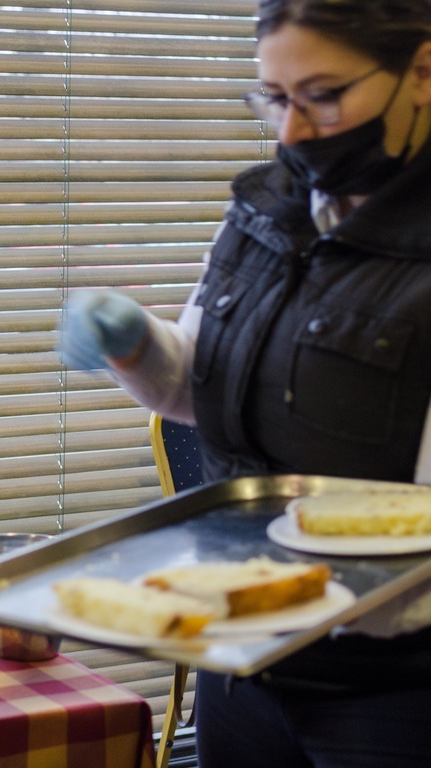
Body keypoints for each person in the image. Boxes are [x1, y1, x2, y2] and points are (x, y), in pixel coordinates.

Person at [60, 1, 431, 765]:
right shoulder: (266, 208)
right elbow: (197, 389)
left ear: (422, 72)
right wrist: (136, 345)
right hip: (241, 660)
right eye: (275, 97)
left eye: (322, 96)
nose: (292, 130)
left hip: (390, 691)